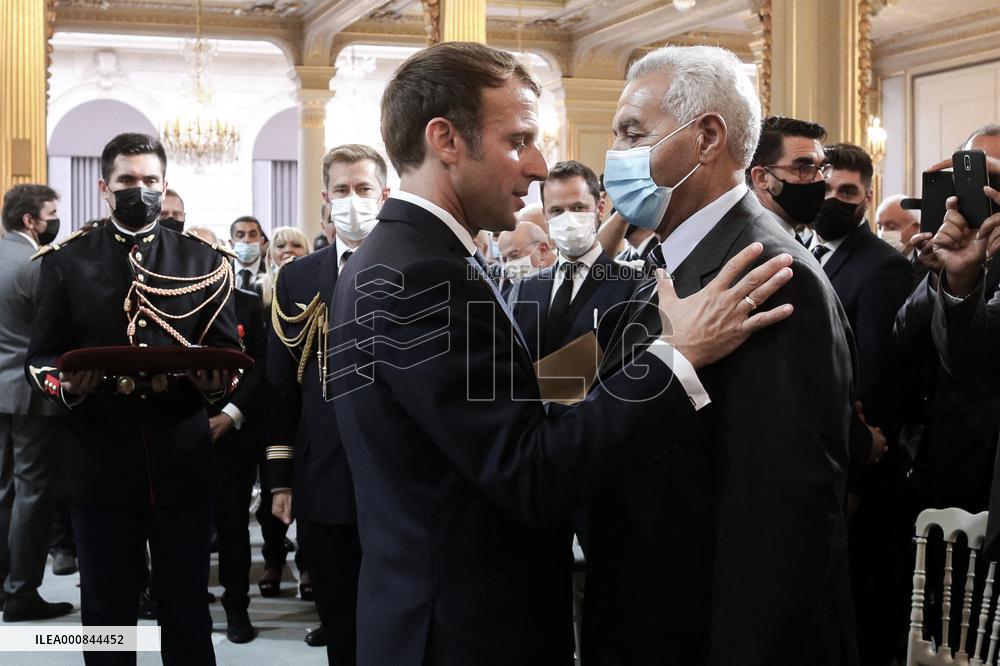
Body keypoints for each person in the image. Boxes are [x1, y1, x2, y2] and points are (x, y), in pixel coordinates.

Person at [328, 41, 795, 666]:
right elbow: (530, 472)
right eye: (519, 140)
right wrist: (677, 358)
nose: (538, 166)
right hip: (465, 633)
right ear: (446, 140)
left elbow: (503, 397)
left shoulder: (412, 257)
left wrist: (635, 337)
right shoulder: (425, 274)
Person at [584, 45, 859, 666]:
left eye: (633, 133)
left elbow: (780, 512)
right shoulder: (677, 257)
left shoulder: (764, 273)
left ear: (707, 136)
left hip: (702, 628)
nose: (616, 157)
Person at [25, 132, 240, 665]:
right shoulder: (67, 260)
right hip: (99, 454)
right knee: (104, 610)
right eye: (126, 181)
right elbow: (40, 358)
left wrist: (220, 387)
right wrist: (64, 386)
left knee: (186, 605)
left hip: (181, 452)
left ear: (164, 185)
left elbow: (228, 352)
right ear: (104, 187)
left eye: (148, 181)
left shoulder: (203, 259)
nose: (138, 191)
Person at [268, 143, 388, 663]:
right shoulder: (298, 277)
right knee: (338, 613)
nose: (353, 200)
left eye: (363, 189)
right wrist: (280, 477)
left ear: (384, 196)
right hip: (323, 472)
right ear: (326, 199)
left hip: (397, 473)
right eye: (342, 190)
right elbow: (280, 384)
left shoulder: (420, 266)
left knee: (395, 612)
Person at [809, 143, 913, 665]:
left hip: (858, 479)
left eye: (846, 192)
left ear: (866, 198)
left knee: (860, 624)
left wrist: (855, 473)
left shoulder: (883, 268)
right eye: (825, 188)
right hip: (816, 468)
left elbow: (875, 383)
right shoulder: (801, 251)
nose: (833, 199)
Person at [185, 225, 267, 644]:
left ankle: (237, 606)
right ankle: (190, 605)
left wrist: (231, 415)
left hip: (231, 435)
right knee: (185, 529)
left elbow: (261, 366)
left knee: (233, 527)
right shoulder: (170, 303)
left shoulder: (250, 305)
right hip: (179, 433)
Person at [0, 184, 73, 622]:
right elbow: (57, 330)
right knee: (32, 494)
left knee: (3, 492)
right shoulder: (36, 265)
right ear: (31, 220)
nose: (55, 221)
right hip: (30, 392)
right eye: (51, 213)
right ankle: (22, 592)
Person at [508, 159, 642, 360]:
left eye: (578, 208)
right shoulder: (525, 289)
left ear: (600, 208)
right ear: (545, 216)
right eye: (557, 211)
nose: (568, 219)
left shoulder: (632, 285)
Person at [747, 115, 830, 240]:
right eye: (805, 169)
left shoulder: (788, 235)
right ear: (762, 177)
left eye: (821, 168)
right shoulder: (754, 242)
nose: (819, 179)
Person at [231, 215, 267, 294]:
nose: (247, 240)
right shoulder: (221, 275)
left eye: (253, 235)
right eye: (240, 235)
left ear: (261, 242)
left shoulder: (272, 274)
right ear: (231, 243)